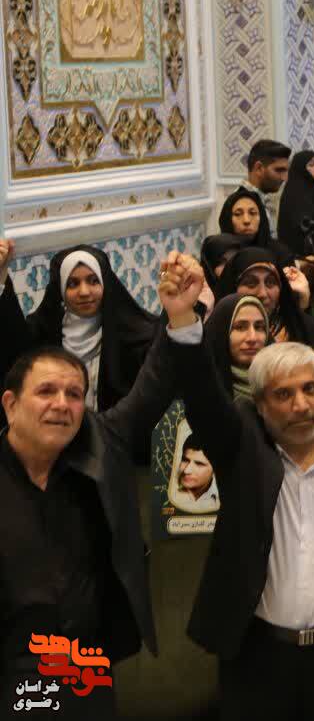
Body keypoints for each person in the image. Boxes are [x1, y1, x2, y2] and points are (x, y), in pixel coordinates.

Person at [171, 252, 314, 721]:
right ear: (259, 406)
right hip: (260, 662)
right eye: (283, 395)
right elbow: (204, 399)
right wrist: (183, 319)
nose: (300, 406)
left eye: (309, 389)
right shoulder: (245, 455)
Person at [0, 251, 207, 719]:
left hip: (86, 666)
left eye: (74, 394)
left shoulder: (99, 440)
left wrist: (179, 315)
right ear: (10, 404)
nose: (62, 404)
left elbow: (154, 385)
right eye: (46, 392)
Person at [0, 243, 159, 430]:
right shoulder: (42, 336)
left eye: (93, 281)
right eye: (73, 284)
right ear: (61, 290)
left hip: (116, 438)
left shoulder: (135, 336)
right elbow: (11, 346)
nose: (84, 292)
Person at [240, 139, 291, 232]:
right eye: (279, 170)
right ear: (259, 168)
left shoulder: (261, 199)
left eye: (286, 171)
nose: (284, 178)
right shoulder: (242, 204)